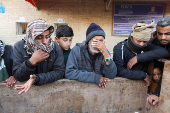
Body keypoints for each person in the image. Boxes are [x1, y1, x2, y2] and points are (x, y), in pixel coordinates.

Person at [13, 19, 65, 94]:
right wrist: (31, 62)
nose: (45, 42)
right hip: (26, 94)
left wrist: (37, 78)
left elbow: (59, 72)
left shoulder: (55, 47)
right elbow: (18, 76)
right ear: (31, 36)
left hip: (50, 93)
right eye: (39, 38)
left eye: (47, 37)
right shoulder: (20, 46)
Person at [113, 20, 169, 86]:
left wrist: (138, 58)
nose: (142, 44)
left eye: (145, 41)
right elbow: (119, 71)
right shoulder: (120, 48)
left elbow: (164, 52)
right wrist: (142, 75)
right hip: (121, 85)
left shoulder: (147, 46)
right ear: (132, 37)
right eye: (138, 41)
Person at [65, 23, 117, 88]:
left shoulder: (105, 53)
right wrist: (94, 77)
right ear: (89, 41)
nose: (98, 44)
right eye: (95, 41)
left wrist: (106, 54)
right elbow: (69, 72)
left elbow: (111, 75)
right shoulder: (77, 50)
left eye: (100, 41)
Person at [147, 16, 170, 105]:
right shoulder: (152, 42)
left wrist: (157, 93)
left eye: (168, 34)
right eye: (159, 34)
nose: (162, 37)